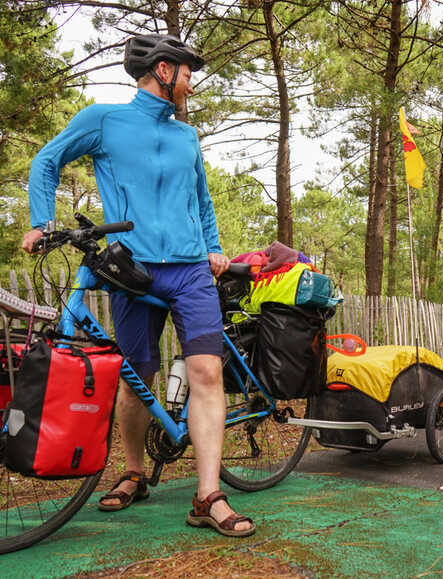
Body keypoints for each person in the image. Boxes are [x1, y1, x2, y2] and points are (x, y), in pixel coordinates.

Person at [21, 34, 257, 534]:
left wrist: (214, 246)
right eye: (187, 72)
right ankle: (133, 472)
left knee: (207, 373)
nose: (191, 82)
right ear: (164, 70)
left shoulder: (185, 136)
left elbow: (202, 200)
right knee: (134, 378)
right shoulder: (103, 120)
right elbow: (47, 160)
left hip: (192, 268)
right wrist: (42, 222)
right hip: (133, 269)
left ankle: (208, 494)